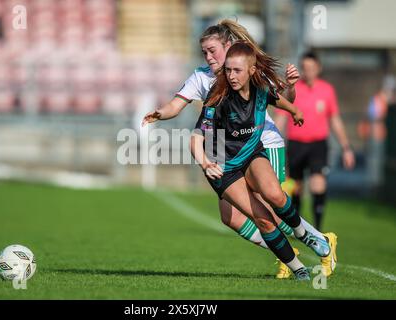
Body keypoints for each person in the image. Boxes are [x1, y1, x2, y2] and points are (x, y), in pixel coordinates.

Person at [143, 20, 337, 278]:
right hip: (229, 153)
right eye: (204, 52)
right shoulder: (203, 77)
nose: (209, 57)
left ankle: (317, 243)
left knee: (272, 202)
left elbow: (281, 99)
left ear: (228, 46)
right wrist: (160, 113)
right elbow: (176, 107)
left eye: (213, 50)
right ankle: (287, 251)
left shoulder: (247, 68)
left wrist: (291, 90)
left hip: (264, 142)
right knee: (231, 217)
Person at [191, 41, 331, 280]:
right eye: (228, 70)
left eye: (237, 70)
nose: (231, 76)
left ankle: (303, 233)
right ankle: (298, 269)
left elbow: (276, 99)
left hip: (252, 154)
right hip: (224, 168)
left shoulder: (260, 88)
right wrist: (205, 163)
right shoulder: (218, 98)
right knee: (263, 219)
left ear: (252, 70)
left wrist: (294, 111)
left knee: (275, 195)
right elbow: (196, 136)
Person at [274, 52, 355, 234]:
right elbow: (281, 117)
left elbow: (335, 120)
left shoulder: (327, 90)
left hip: (318, 145)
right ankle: (297, 227)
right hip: (295, 144)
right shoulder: (293, 90)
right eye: (305, 68)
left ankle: (317, 228)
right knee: (295, 187)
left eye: (311, 68)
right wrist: (270, 141)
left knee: (318, 184)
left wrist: (346, 148)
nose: (308, 71)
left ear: (318, 68)